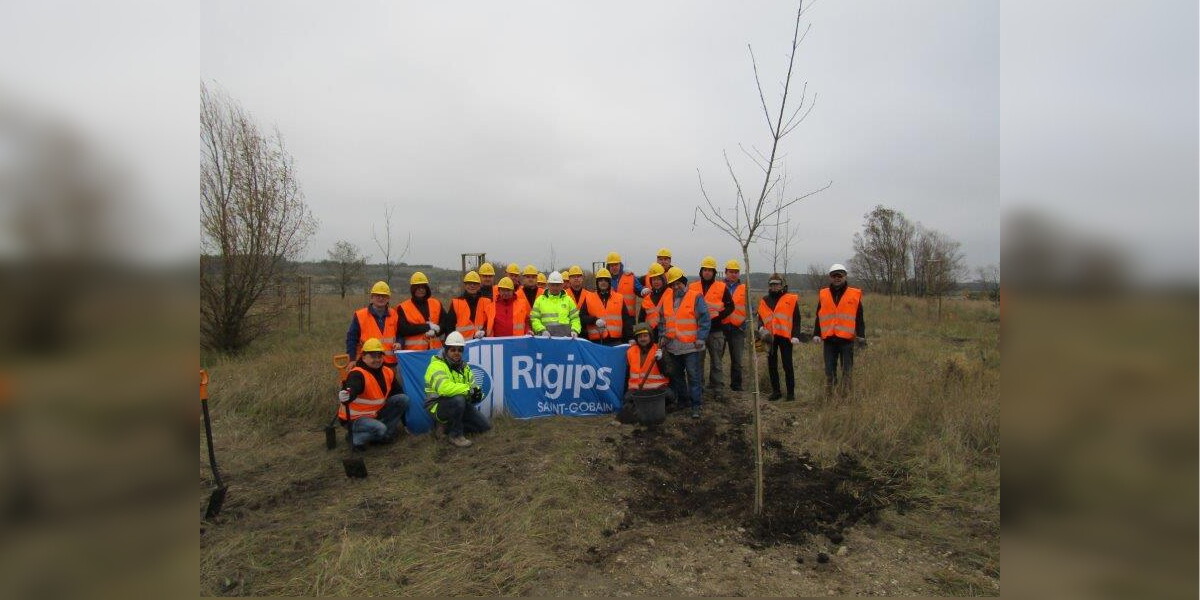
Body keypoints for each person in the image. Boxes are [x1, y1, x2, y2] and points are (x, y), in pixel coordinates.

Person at [337, 338, 410, 451]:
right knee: (380, 428)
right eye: (372, 356)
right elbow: (353, 387)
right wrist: (347, 395)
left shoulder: (387, 372)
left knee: (403, 399)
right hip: (354, 419)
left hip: (375, 413)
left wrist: (406, 424)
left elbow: (398, 393)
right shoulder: (357, 373)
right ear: (364, 356)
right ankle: (355, 438)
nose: (377, 360)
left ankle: (385, 435)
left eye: (379, 356)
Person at [657, 266, 710, 418]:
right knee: (677, 376)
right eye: (673, 284)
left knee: (694, 376)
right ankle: (683, 401)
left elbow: (705, 319)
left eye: (678, 283)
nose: (676, 286)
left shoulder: (695, 297)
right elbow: (662, 321)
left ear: (684, 282)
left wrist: (701, 338)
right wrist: (662, 336)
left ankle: (696, 405)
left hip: (692, 346)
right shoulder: (667, 299)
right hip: (673, 346)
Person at [423, 331, 491, 447]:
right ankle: (455, 435)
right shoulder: (436, 365)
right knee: (458, 399)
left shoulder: (465, 367)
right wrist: (468, 390)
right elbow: (444, 388)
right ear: (446, 350)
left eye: (459, 350)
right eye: (453, 350)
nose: (456, 353)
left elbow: (472, 385)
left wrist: (476, 393)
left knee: (485, 427)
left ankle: (446, 428)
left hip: (459, 405)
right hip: (437, 406)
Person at [812, 263, 866, 398]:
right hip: (829, 339)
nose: (837, 278)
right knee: (829, 371)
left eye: (840, 276)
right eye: (834, 276)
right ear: (830, 277)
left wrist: (861, 336)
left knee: (847, 370)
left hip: (847, 340)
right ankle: (831, 396)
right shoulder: (823, 294)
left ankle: (846, 396)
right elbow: (819, 315)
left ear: (845, 276)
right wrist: (816, 334)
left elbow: (859, 318)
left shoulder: (854, 294)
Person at [345, 280, 403, 389]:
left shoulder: (395, 314)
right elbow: (351, 339)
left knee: (390, 393)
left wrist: (399, 342)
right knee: (370, 391)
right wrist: (352, 359)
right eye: (378, 295)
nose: (381, 298)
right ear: (372, 297)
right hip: (367, 364)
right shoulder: (360, 315)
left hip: (390, 364)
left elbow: (400, 334)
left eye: (384, 296)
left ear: (388, 298)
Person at [689, 256, 734, 392]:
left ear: (714, 272)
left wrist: (719, 317)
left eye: (710, 270)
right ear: (701, 271)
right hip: (698, 331)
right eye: (705, 270)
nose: (707, 272)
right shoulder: (692, 287)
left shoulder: (721, 287)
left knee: (717, 362)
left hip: (716, 330)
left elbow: (730, 306)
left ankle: (717, 387)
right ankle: (699, 387)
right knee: (698, 362)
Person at [616, 322, 676, 424]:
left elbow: (669, 372)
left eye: (645, 336)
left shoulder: (659, 350)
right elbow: (627, 375)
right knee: (627, 398)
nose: (643, 339)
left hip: (657, 390)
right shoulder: (630, 351)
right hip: (637, 391)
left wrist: (661, 360)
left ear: (650, 336)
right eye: (640, 336)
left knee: (670, 395)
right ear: (636, 338)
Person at [757, 273, 804, 401]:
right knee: (772, 365)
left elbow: (797, 319)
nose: (774, 286)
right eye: (772, 284)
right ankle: (776, 391)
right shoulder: (764, 300)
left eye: (777, 284)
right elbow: (760, 318)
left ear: (782, 285)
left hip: (785, 336)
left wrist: (795, 335)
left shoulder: (791, 298)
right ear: (769, 285)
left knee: (787, 364)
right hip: (769, 337)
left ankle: (790, 394)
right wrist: (760, 328)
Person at [395, 271, 445, 351]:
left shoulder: (436, 303)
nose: (421, 290)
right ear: (413, 289)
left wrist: (436, 332)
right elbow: (403, 330)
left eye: (423, 287)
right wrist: (427, 327)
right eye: (417, 287)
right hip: (414, 353)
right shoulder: (402, 307)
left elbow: (445, 323)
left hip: (435, 351)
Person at [722, 259, 749, 391]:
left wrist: (744, 325)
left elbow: (750, 309)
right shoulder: (719, 287)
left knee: (737, 360)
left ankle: (736, 385)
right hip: (721, 327)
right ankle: (717, 384)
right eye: (731, 272)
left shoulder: (745, 288)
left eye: (736, 272)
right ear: (725, 273)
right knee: (717, 359)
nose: (733, 274)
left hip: (738, 328)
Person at [530, 271, 580, 337]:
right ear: (548, 285)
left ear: (562, 285)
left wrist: (575, 330)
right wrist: (541, 330)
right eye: (553, 285)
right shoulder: (540, 300)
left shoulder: (568, 300)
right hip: (545, 338)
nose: (555, 287)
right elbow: (534, 319)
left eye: (558, 285)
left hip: (566, 340)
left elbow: (575, 319)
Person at [586, 268, 629, 345]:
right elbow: (582, 317)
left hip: (615, 342)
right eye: (601, 280)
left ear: (609, 282)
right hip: (595, 342)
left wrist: (629, 338)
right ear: (597, 282)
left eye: (606, 280)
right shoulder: (589, 297)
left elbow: (626, 320)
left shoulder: (619, 298)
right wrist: (594, 320)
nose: (603, 282)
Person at [449, 270, 493, 341]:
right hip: (461, 346)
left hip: (481, 343)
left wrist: (484, 331)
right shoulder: (456, 302)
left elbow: (490, 322)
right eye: (469, 283)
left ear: (479, 286)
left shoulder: (487, 302)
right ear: (465, 285)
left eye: (475, 284)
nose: (472, 285)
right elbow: (449, 326)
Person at [605, 251, 644, 320]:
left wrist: (644, 290)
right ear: (608, 266)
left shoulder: (630, 277)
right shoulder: (604, 280)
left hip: (628, 317)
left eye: (616, 265)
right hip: (611, 317)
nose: (614, 267)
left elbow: (641, 291)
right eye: (612, 265)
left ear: (620, 265)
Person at [564, 265, 599, 338]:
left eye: (578, 276)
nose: (576, 278)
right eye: (573, 276)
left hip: (586, 331)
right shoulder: (563, 295)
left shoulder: (590, 295)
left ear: (582, 278)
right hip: (568, 331)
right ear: (569, 279)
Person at [637, 263, 668, 344]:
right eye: (654, 279)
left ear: (663, 280)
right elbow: (641, 320)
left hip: (667, 335)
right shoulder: (647, 298)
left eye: (658, 279)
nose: (656, 282)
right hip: (651, 336)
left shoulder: (670, 294)